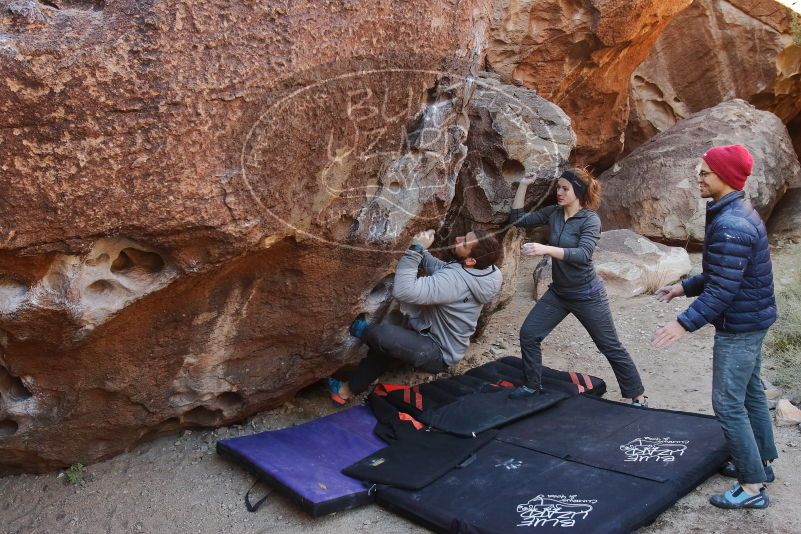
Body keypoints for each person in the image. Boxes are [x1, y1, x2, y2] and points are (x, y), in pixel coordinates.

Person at [651, 144, 777, 510]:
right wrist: (684, 286)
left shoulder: (731, 223)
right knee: (750, 392)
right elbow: (724, 271)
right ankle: (761, 462)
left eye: (705, 172)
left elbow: (723, 288)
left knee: (727, 402)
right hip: (753, 319)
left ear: (725, 176)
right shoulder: (734, 212)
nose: (698, 177)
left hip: (741, 326)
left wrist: (682, 323)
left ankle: (752, 486)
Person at [507, 168, 647, 405]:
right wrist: (523, 185)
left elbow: (583, 254)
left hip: (587, 295)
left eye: (565, 189)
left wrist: (546, 249)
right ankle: (532, 386)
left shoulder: (590, 219)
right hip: (559, 293)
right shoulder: (554, 213)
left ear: (578, 192)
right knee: (529, 334)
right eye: (558, 188)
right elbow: (518, 219)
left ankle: (638, 396)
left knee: (609, 346)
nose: (559, 193)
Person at [327, 228, 503, 403]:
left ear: (471, 260)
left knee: (383, 335)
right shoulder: (490, 272)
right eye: (464, 235)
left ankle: (365, 333)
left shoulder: (456, 281)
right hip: (432, 336)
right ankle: (344, 392)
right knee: (384, 349)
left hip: (437, 351)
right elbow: (443, 270)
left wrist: (415, 251)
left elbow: (404, 291)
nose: (457, 238)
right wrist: (422, 251)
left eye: (464, 242)